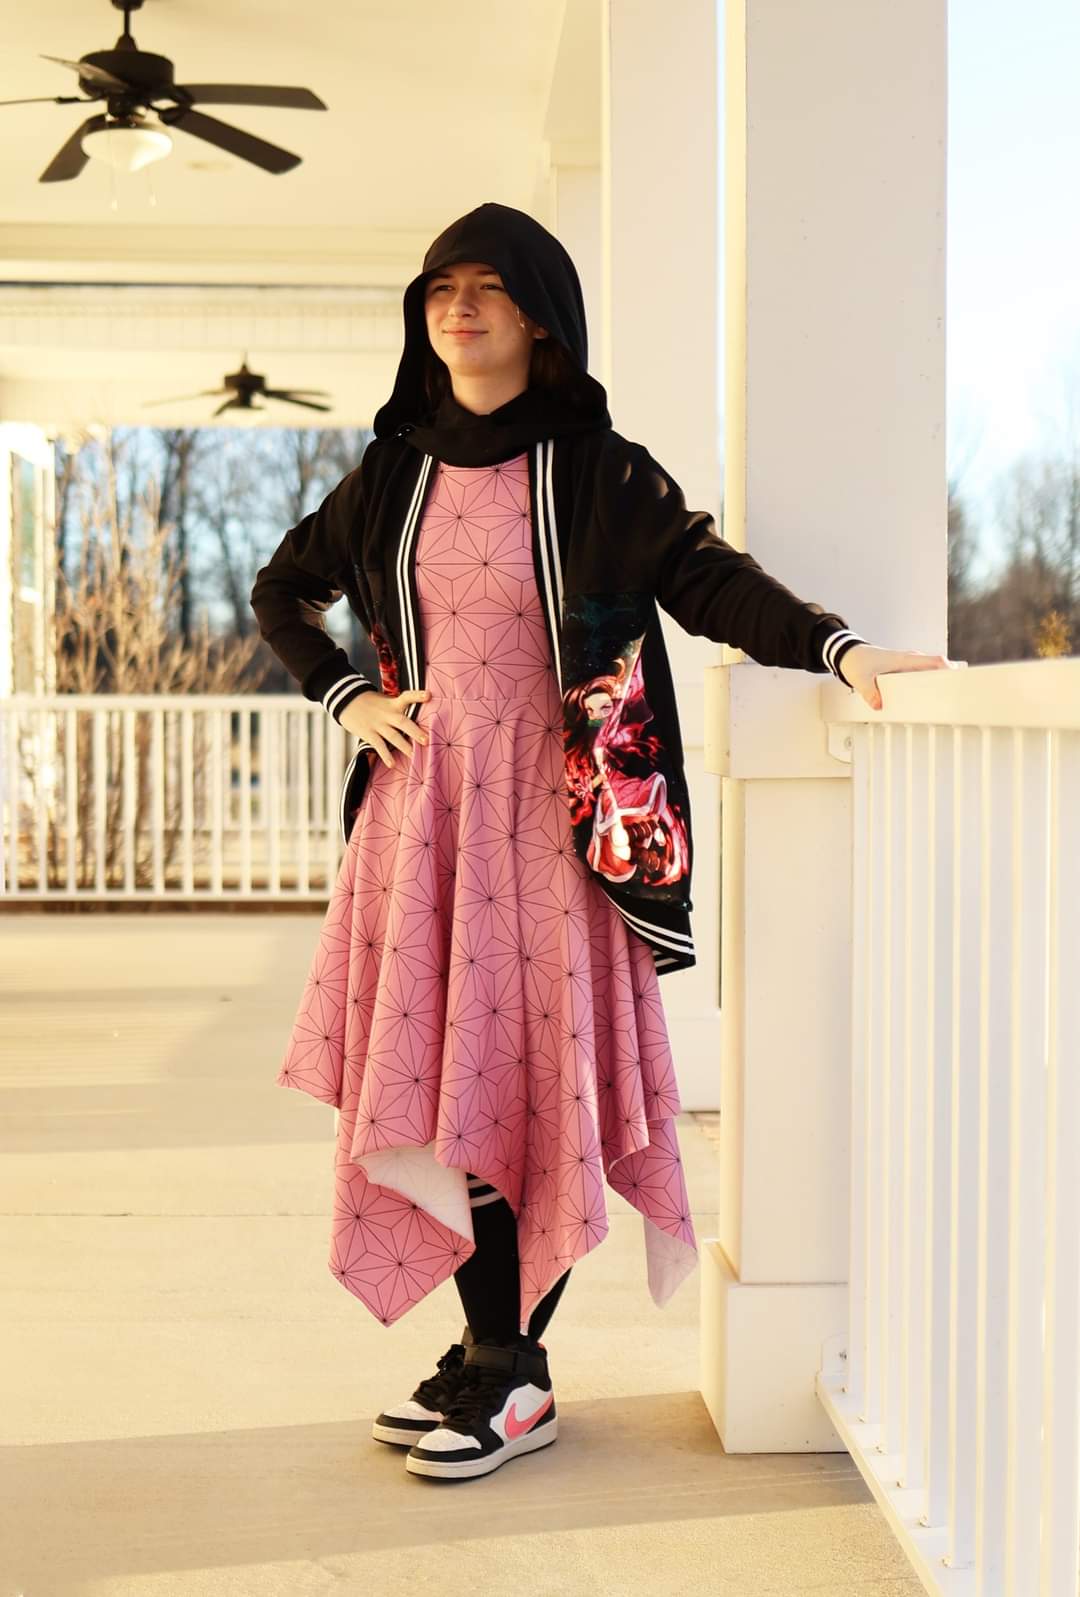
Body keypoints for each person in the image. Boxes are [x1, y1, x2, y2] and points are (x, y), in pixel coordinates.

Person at [250, 201, 962, 1483]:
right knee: (441, 1082)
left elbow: (707, 578)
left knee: (521, 1085)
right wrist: (346, 693)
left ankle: (509, 1372)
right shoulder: (393, 473)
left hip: (555, 827)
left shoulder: (598, 471)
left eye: (488, 287)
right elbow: (281, 589)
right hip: (424, 822)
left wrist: (839, 646)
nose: (460, 308)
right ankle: (494, 1358)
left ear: (539, 317)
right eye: (440, 289)